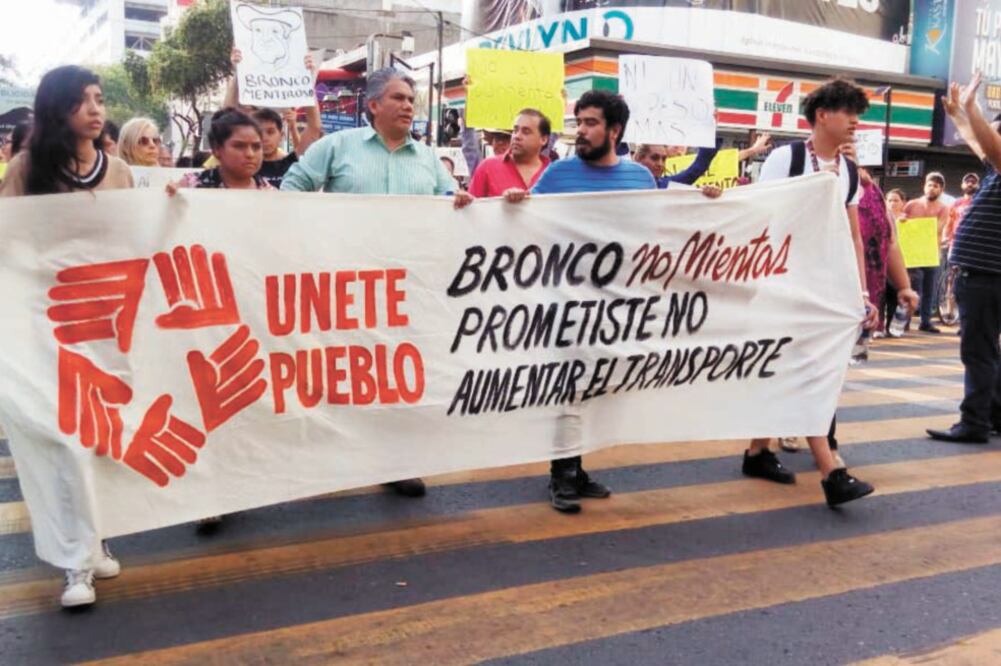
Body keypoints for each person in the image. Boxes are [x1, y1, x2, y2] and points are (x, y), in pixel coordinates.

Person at [282, 68, 468, 498]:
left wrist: (457, 200)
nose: (408, 106)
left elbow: (448, 203)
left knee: (400, 375)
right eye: (399, 98)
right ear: (373, 106)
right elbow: (292, 190)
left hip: (408, 289)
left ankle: (396, 463)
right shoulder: (335, 147)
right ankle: (330, 459)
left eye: (410, 99)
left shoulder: (427, 158)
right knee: (343, 371)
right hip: (347, 287)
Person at [745, 78, 916, 507]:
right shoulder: (786, 158)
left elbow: (853, 237)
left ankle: (756, 452)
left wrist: (860, 292)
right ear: (823, 115)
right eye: (849, 112)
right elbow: (760, 220)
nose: (857, 122)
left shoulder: (848, 171)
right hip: (782, 286)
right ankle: (831, 473)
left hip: (822, 286)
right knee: (806, 373)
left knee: (792, 370)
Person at [0, 65, 133, 608]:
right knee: (64, 441)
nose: (96, 110)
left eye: (99, 99)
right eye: (83, 100)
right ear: (58, 108)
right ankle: (76, 563)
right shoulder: (28, 168)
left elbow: (139, 236)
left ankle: (95, 538)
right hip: (45, 325)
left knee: (101, 439)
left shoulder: (120, 171)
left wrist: (173, 204)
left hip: (106, 325)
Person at [501, 90, 655, 512]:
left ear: (615, 131)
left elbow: (662, 228)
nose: (581, 131)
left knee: (595, 388)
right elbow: (528, 226)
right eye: (579, 122)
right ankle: (562, 475)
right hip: (565, 304)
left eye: (591, 123)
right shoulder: (556, 175)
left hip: (616, 307)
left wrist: (708, 201)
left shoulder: (641, 178)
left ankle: (576, 465)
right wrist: (514, 206)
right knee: (569, 387)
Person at [927, 75, 1001, 443]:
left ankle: (974, 422)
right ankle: (993, 415)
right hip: (985, 274)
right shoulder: (993, 173)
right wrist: (959, 115)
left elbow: (991, 146)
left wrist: (972, 109)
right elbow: (981, 144)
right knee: (988, 350)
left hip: (987, 275)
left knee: (978, 351)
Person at [223, 48, 324, 188]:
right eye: (259, 132)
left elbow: (314, 127)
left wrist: (307, 82)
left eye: (270, 132)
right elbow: (226, 118)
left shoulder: (293, 162)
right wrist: (238, 73)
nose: (264, 138)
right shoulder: (243, 165)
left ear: (281, 135)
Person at [168, 109, 272, 192]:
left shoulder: (270, 194)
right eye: (239, 146)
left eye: (257, 147)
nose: (250, 154)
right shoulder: (191, 186)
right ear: (217, 149)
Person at [902, 172, 951, 333]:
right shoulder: (911, 204)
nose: (932, 188)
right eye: (929, 185)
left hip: (931, 253)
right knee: (912, 287)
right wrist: (903, 220)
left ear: (941, 189)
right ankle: (905, 320)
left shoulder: (943, 208)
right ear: (924, 186)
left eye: (936, 186)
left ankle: (925, 321)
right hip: (912, 253)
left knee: (929, 289)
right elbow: (902, 221)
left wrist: (917, 227)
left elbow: (938, 228)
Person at [467, 108, 551, 198]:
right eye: (515, 130)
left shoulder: (554, 173)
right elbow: (471, 207)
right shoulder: (487, 167)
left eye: (526, 132)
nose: (517, 136)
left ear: (543, 139)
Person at [884, 188, 909, 334]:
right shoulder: (881, 216)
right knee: (883, 297)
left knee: (897, 296)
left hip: (905, 263)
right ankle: (880, 327)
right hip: (883, 263)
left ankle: (896, 326)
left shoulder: (908, 220)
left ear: (903, 203)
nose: (892, 203)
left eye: (896, 200)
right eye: (889, 200)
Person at [944, 173, 980, 248]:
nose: (970, 184)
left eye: (973, 182)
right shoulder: (956, 203)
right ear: (962, 185)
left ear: (978, 186)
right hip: (956, 244)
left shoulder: (981, 203)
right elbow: (949, 223)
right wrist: (948, 239)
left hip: (975, 244)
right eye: (967, 182)